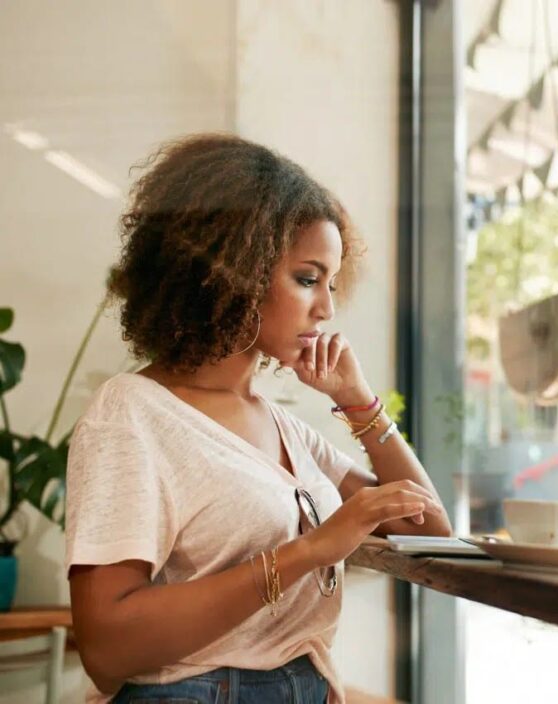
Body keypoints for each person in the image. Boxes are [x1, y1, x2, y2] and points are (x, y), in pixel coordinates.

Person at [65, 134, 452, 704]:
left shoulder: (285, 429)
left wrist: (358, 402)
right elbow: (107, 649)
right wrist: (311, 550)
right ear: (233, 272)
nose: (327, 308)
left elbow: (431, 532)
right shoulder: (132, 414)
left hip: (306, 685)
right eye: (307, 278)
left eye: (332, 283)